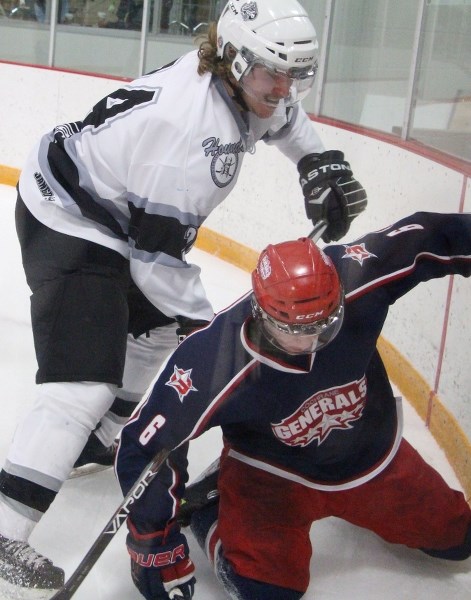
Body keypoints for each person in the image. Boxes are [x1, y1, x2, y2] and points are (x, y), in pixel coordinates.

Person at [0, 0, 367, 594]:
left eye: (292, 73)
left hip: (112, 211)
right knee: (81, 382)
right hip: (67, 217)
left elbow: (285, 115)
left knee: (155, 333)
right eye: (274, 73)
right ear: (235, 59)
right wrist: (216, 330)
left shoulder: (242, 81)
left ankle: (107, 432)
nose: (284, 87)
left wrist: (317, 162)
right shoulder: (192, 134)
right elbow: (158, 267)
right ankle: (4, 525)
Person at [115, 211, 471, 600]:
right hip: (273, 475)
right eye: (298, 332)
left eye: (326, 324)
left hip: (371, 460)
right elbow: (144, 443)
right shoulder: (213, 360)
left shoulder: (357, 275)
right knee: (264, 591)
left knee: (460, 540)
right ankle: (211, 509)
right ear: (262, 314)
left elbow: (430, 234)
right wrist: (154, 542)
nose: (315, 341)